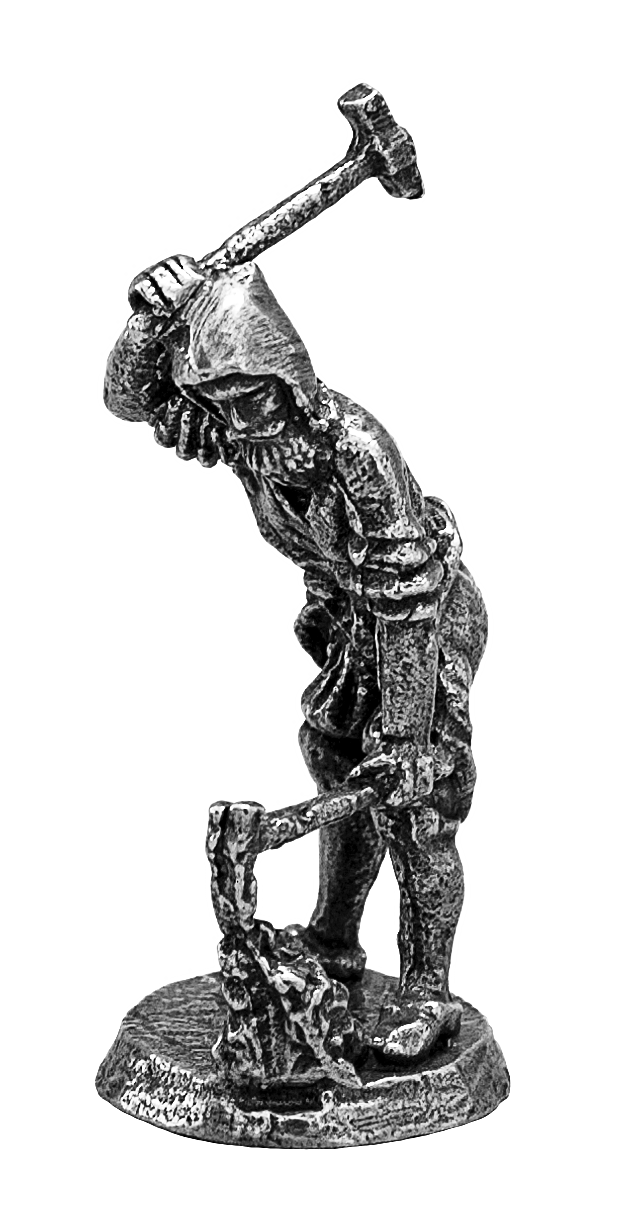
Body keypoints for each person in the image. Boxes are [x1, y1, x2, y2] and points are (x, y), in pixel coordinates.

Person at [104, 253, 488, 1064]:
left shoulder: (354, 448)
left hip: (424, 622)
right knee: (332, 752)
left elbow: (408, 595)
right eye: (223, 404)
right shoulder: (247, 431)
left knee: (414, 799)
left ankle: (429, 992)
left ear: (289, 382)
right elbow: (130, 399)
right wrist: (153, 318)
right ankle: (335, 940)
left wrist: (408, 736)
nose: (239, 422)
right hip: (350, 616)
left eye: (251, 400)